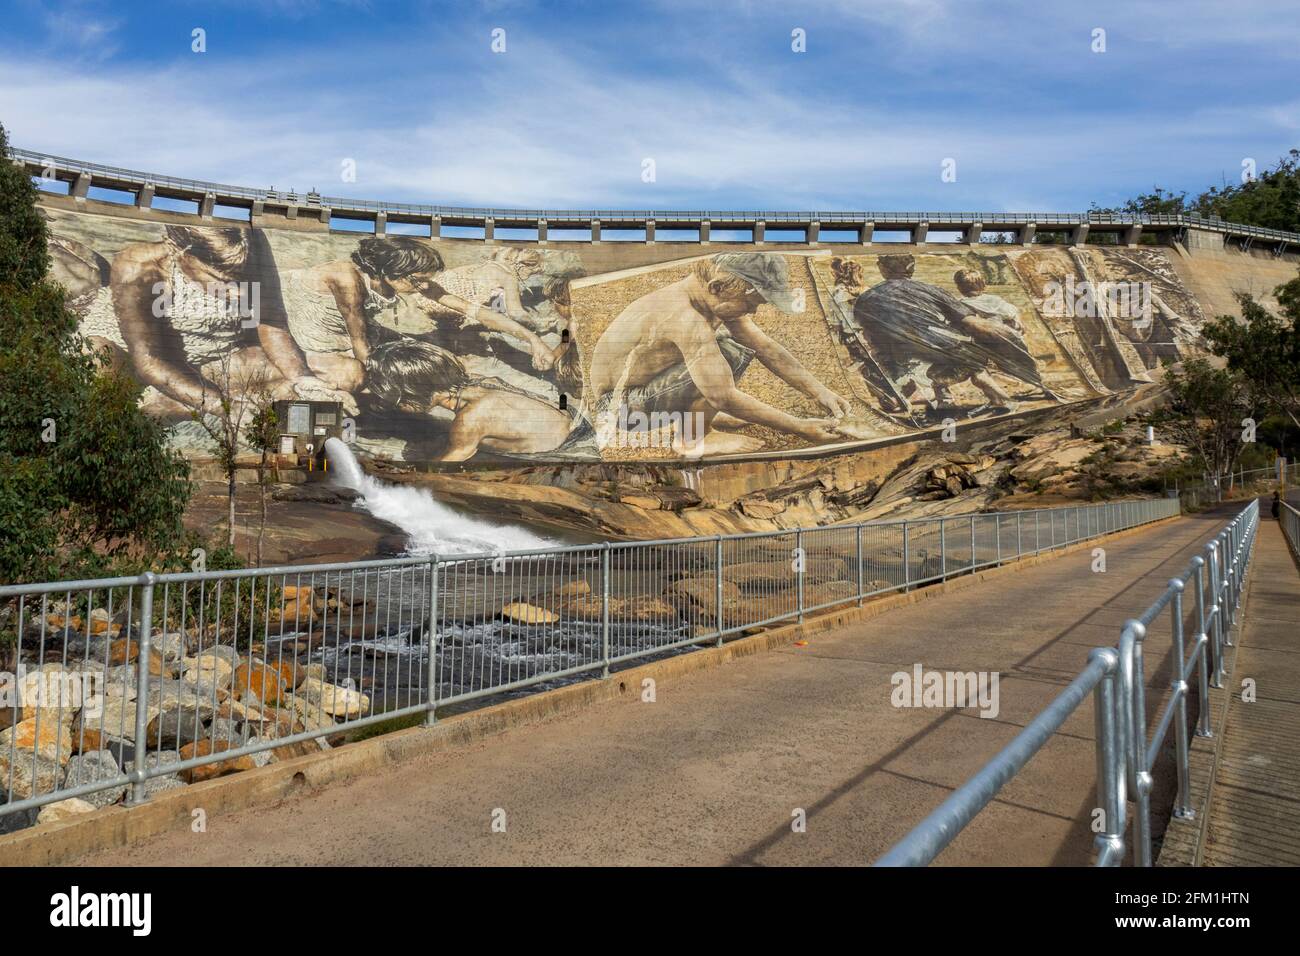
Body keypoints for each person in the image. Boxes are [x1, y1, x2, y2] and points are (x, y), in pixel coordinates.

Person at [584, 253, 851, 450]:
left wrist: (819, 391)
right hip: (621, 410)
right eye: (750, 302)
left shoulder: (706, 299)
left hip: (636, 394)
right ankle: (693, 438)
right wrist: (799, 427)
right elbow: (722, 396)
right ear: (717, 287)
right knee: (727, 353)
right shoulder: (684, 317)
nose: (753, 311)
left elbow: (765, 347)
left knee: (727, 345)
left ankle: (695, 416)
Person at [109, 225, 358, 414]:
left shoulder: (252, 241)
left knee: (347, 373)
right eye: (221, 279)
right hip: (165, 367)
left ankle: (182, 404)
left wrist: (303, 380)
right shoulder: (137, 266)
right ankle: (191, 400)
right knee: (102, 360)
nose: (239, 292)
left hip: (229, 363)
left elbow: (270, 322)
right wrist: (223, 407)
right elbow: (149, 361)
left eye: (241, 277)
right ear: (177, 251)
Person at [852, 254, 1054, 417]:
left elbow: (869, 338)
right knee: (972, 364)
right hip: (945, 354)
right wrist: (1010, 346)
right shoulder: (931, 291)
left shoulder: (864, 300)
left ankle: (940, 402)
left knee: (932, 370)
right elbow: (974, 324)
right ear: (911, 268)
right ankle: (1000, 399)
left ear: (881, 267)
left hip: (898, 362)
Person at [352, 237, 557, 372]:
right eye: (419, 279)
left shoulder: (421, 286)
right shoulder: (350, 281)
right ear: (395, 272)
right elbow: (358, 340)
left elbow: (480, 313)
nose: (426, 285)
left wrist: (533, 339)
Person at [365, 339, 574, 461]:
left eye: (397, 401)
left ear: (413, 393)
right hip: (568, 421)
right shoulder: (479, 382)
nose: (398, 407)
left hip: (566, 449)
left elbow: (440, 470)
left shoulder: (469, 420)